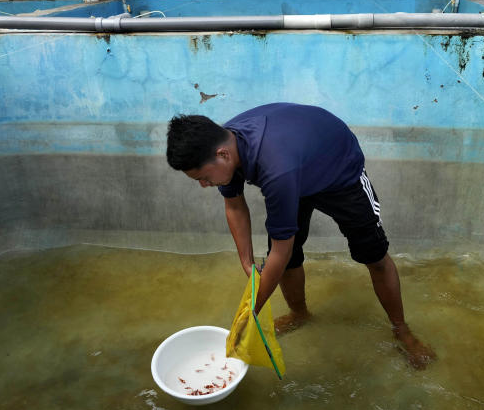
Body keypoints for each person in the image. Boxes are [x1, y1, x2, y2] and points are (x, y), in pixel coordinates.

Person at [165, 103, 436, 369]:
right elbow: (234, 205)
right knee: (288, 258)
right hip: (294, 163)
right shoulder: (227, 145)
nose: (203, 185)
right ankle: (300, 313)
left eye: (203, 177)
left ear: (223, 155)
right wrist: (248, 263)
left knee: (373, 255)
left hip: (338, 169)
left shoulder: (275, 168)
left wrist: (251, 314)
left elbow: (279, 253)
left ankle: (402, 330)